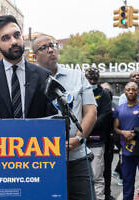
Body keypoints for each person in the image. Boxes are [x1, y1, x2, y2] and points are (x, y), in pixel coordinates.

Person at [32, 35, 97, 200]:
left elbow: (91, 112)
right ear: (34, 56)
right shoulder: (29, 81)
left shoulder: (77, 77)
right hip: (41, 162)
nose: (51, 49)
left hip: (77, 159)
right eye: (43, 47)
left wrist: (78, 139)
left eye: (52, 45)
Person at [0, 15, 56, 119]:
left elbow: (52, 120)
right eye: (6, 38)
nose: (14, 41)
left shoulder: (43, 76)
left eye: (17, 35)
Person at [85, 68, 112, 200]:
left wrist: (87, 126)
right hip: (80, 141)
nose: (92, 80)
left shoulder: (104, 94)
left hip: (96, 140)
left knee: (96, 176)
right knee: (82, 177)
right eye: (89, 78)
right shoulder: (81, 91)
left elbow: (105, 114)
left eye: (94, 78)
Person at [113, 82, 139, 200]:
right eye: (128, 89)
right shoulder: (119, 109)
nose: (131, 92)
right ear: (124, 92)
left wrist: (136, 132)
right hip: (127, 151)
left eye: (134, 89)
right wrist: (123, 132)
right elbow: (115, 128)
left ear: (138, 91)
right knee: (127, 182)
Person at [101, 82, 116, 200]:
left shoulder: (114, 106)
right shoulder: (96, 106)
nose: (106, 93)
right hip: (97, 142)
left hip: (109, 143)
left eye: (108, 91)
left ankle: (107, 193)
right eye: (104, 90)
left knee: (107, 170)